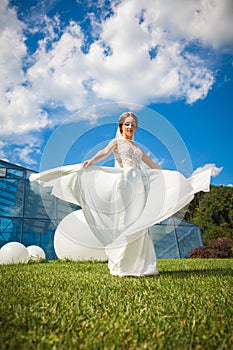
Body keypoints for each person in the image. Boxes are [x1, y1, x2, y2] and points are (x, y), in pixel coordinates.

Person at [30, 111, 220, 276]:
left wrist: (167, 177)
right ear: (121, 126)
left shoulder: (138, 148)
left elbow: (154, 166)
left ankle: (142, 267)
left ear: (135, 127)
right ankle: (122, 264)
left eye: (133, 124)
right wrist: (91, 161)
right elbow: (103, 153)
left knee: (139, 221)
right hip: (124, 183)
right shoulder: (116, 143)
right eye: (127, 124)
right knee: (127, 220)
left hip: (139, 183)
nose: (130, 127)